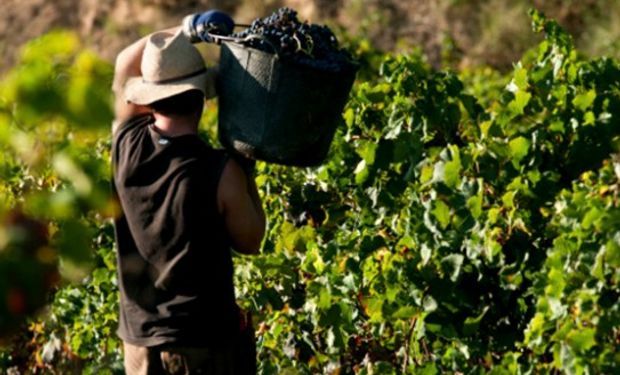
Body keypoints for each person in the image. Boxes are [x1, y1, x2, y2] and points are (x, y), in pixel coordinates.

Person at [110, 11, 265, 375]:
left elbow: (123, 63)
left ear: (148, 99)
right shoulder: (221, 171)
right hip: (202, 344)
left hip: (138, 343)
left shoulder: (125, 143)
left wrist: (186, 30)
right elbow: (251, 238)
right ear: (202, 99)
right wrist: (247, 167)